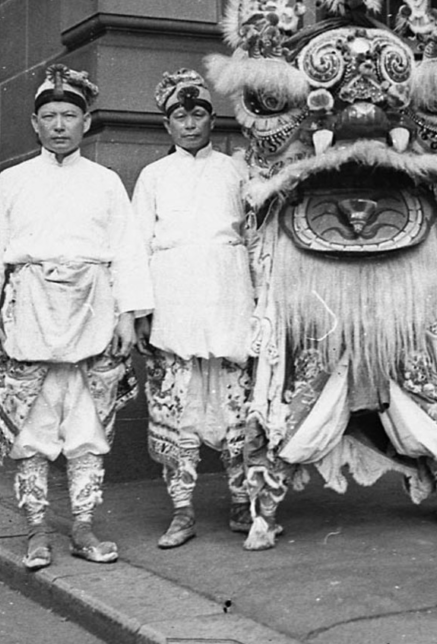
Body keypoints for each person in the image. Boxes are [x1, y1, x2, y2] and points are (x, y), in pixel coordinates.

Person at [0, 65, 152, 569]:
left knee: (86, 425)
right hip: (29, 310)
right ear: (35, 124)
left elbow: (128, 252)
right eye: (48, 116)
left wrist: (127, 315)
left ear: (86, 122)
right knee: (33, 426)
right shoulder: (11, 182)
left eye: (68, 115)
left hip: (92, 312)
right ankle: (34, 529)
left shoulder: (106, 182)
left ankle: (84, 527)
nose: (58, 125)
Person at [132, 69, 255, 548]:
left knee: (235, 404)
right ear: (167, 125)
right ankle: (182, 510)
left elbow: (255, 238)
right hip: (174, 299)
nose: (189, 123)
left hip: (228, 295)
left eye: (198, 113)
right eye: (179, 116)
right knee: (177, 406)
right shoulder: (153, 177)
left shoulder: (236, 170)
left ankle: (243, 501)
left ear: (211, 119)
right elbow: (137, 246)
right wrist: (140, 311)